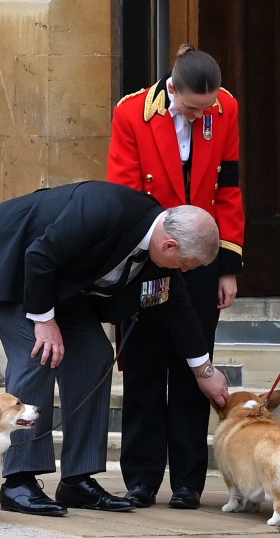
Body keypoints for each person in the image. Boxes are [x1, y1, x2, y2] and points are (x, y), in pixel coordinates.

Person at [0, 180, 230, 517]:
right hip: (10, 260)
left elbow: (178, 308)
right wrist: (44, 322)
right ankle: (20, 480)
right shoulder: (106, 208)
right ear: (170, 244)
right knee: (39, 353)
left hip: (60, 284)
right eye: (185, 264)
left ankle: (77, 478)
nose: (183, 271)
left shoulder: (158, 255)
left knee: (95, 354)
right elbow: (40, 254)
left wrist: (203, 370)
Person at [106, 43, 244, 511]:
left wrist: (228, 266)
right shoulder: (131, 113)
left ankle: (188, 482)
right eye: (190, 107)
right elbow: (123, 194)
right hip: (152, 251)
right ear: (172, 88)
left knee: (193, 368)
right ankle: (141, 479)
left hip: (201, 256)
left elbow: (229, 189)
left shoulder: (225, 109)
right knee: (145, 367)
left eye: (206, 108)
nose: (199, 115)